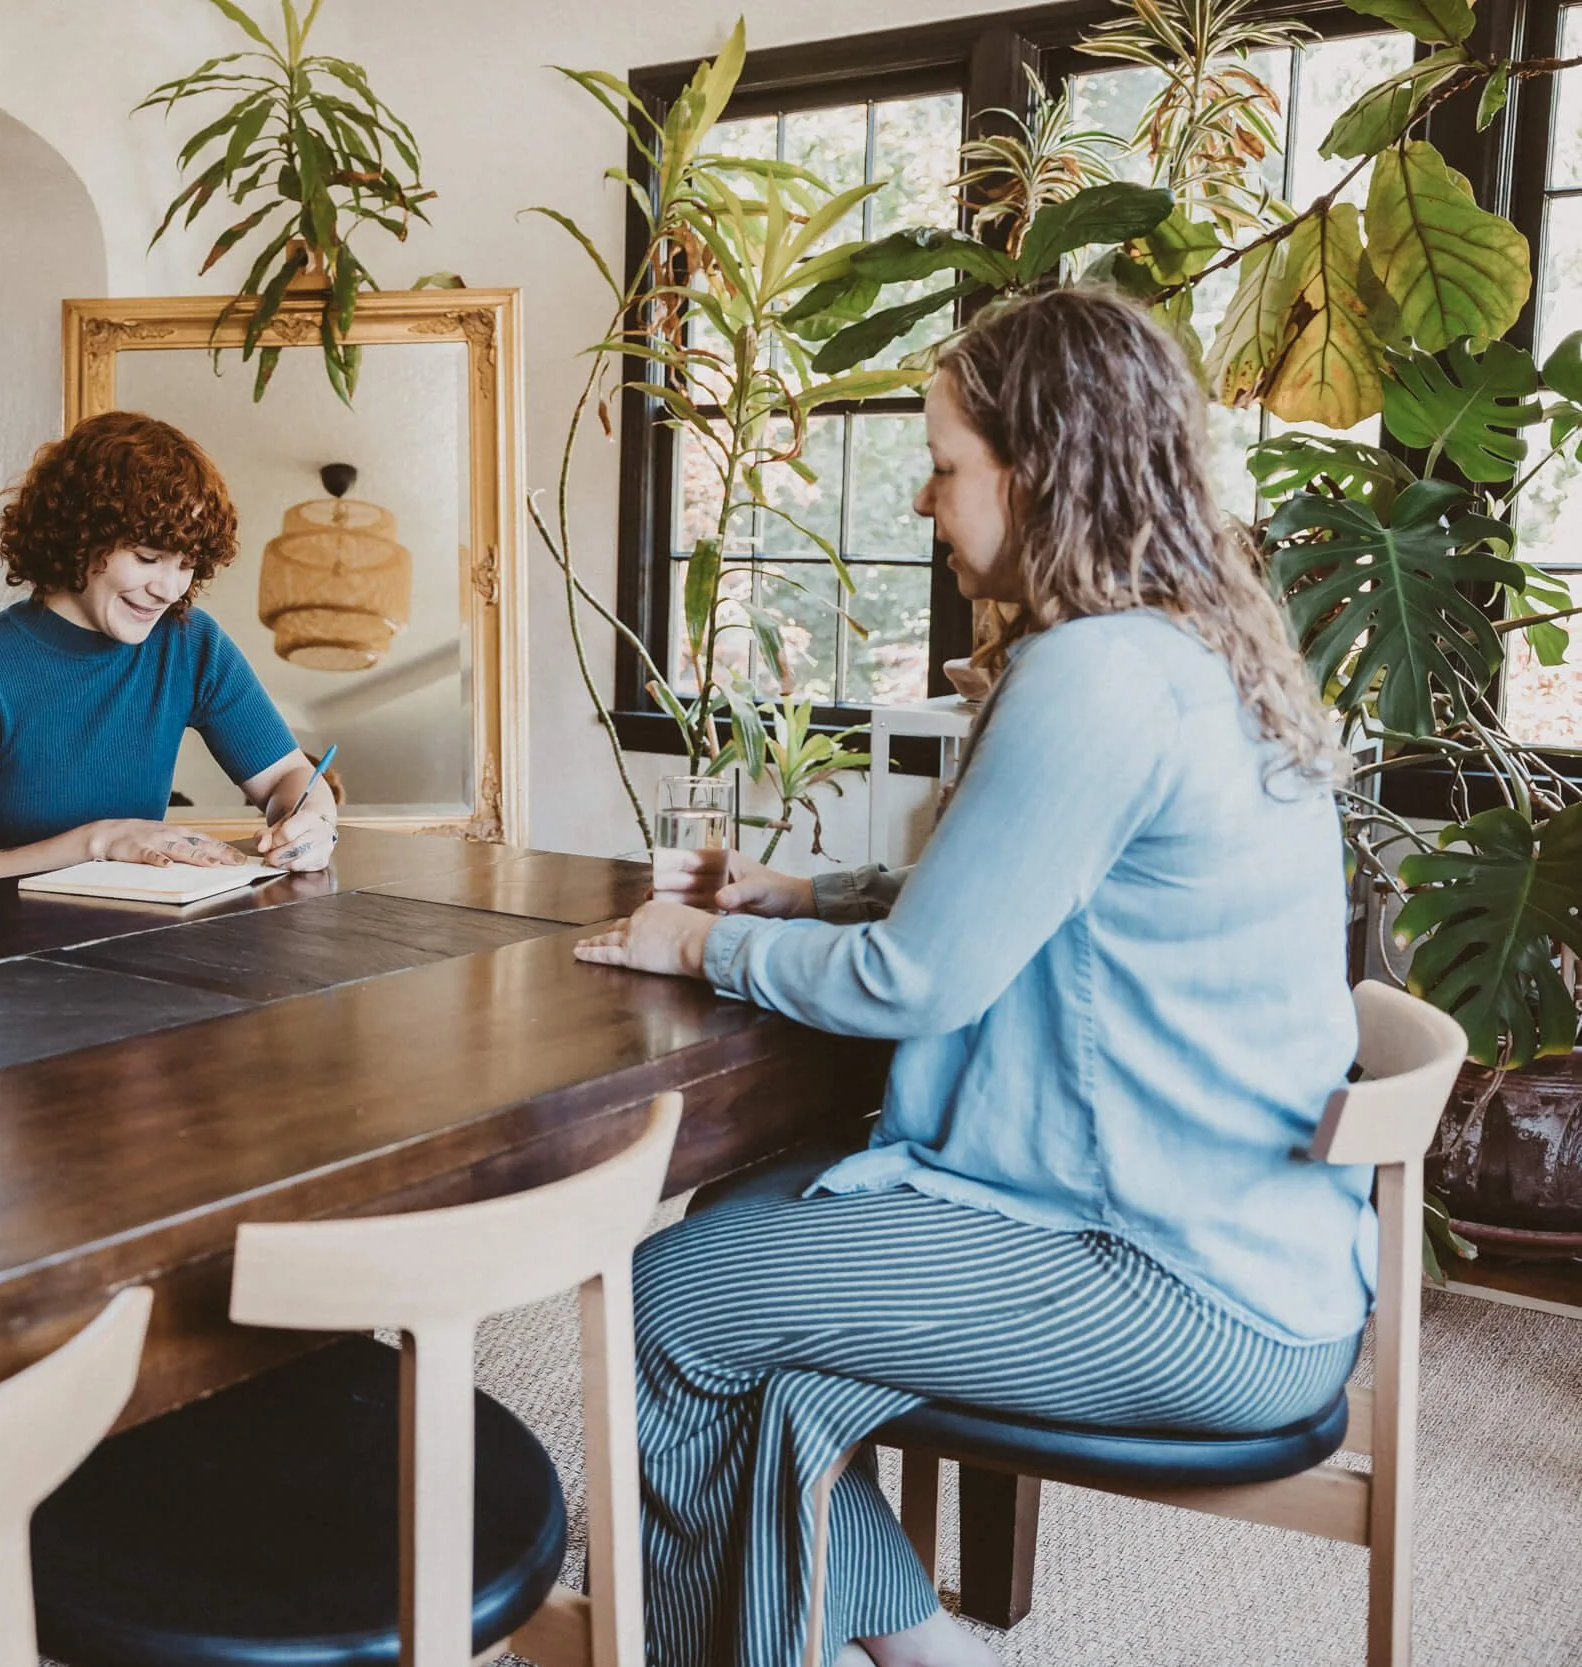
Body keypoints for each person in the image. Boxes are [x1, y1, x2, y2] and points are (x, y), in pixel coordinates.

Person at [576, 288, 1363, 1667]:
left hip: (1174, 1278)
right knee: (760, 1252)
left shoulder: (1096, 671)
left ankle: (911, 1649)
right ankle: (922, 1649)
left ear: (1040, 465)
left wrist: (697, 938)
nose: (930, 502)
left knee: (666, 1305)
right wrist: (813, 893)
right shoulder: (1196, 646)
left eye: (946, 465)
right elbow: (1061, 897)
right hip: (1267, 1246)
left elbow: (913, 982)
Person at [0, 411, 336, 887]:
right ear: (78, 534)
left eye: (186, 564)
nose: (169, 589)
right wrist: (100, 842)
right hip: (6, 948)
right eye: (147, 558)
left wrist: (313, 823)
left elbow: (286, 776)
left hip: (137, 937)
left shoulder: (189, 644)